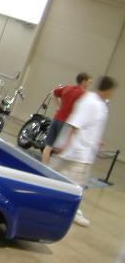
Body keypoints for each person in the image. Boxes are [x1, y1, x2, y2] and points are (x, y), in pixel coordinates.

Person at [51, 76, 117, 227]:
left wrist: (97, 141)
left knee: (62, 180)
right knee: (74, 186)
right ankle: (72, 211)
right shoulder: (91, 102)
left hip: (82, 151)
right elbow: (76, 124)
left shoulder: (99, 104)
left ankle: (65, 208)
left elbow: (90, 126)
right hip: (78, 152)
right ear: (108, 90)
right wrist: (64, 144)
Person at [42, 72, 92, 164]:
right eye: (89, 82)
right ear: (83, 81)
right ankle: (53, 169)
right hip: (67, 123)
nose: (89, 84)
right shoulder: (84, 94)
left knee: (48, 146)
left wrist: (58, 107)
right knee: (61, 150)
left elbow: (53, 92)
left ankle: (43, 166)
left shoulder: (67, 88)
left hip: (56, 119)